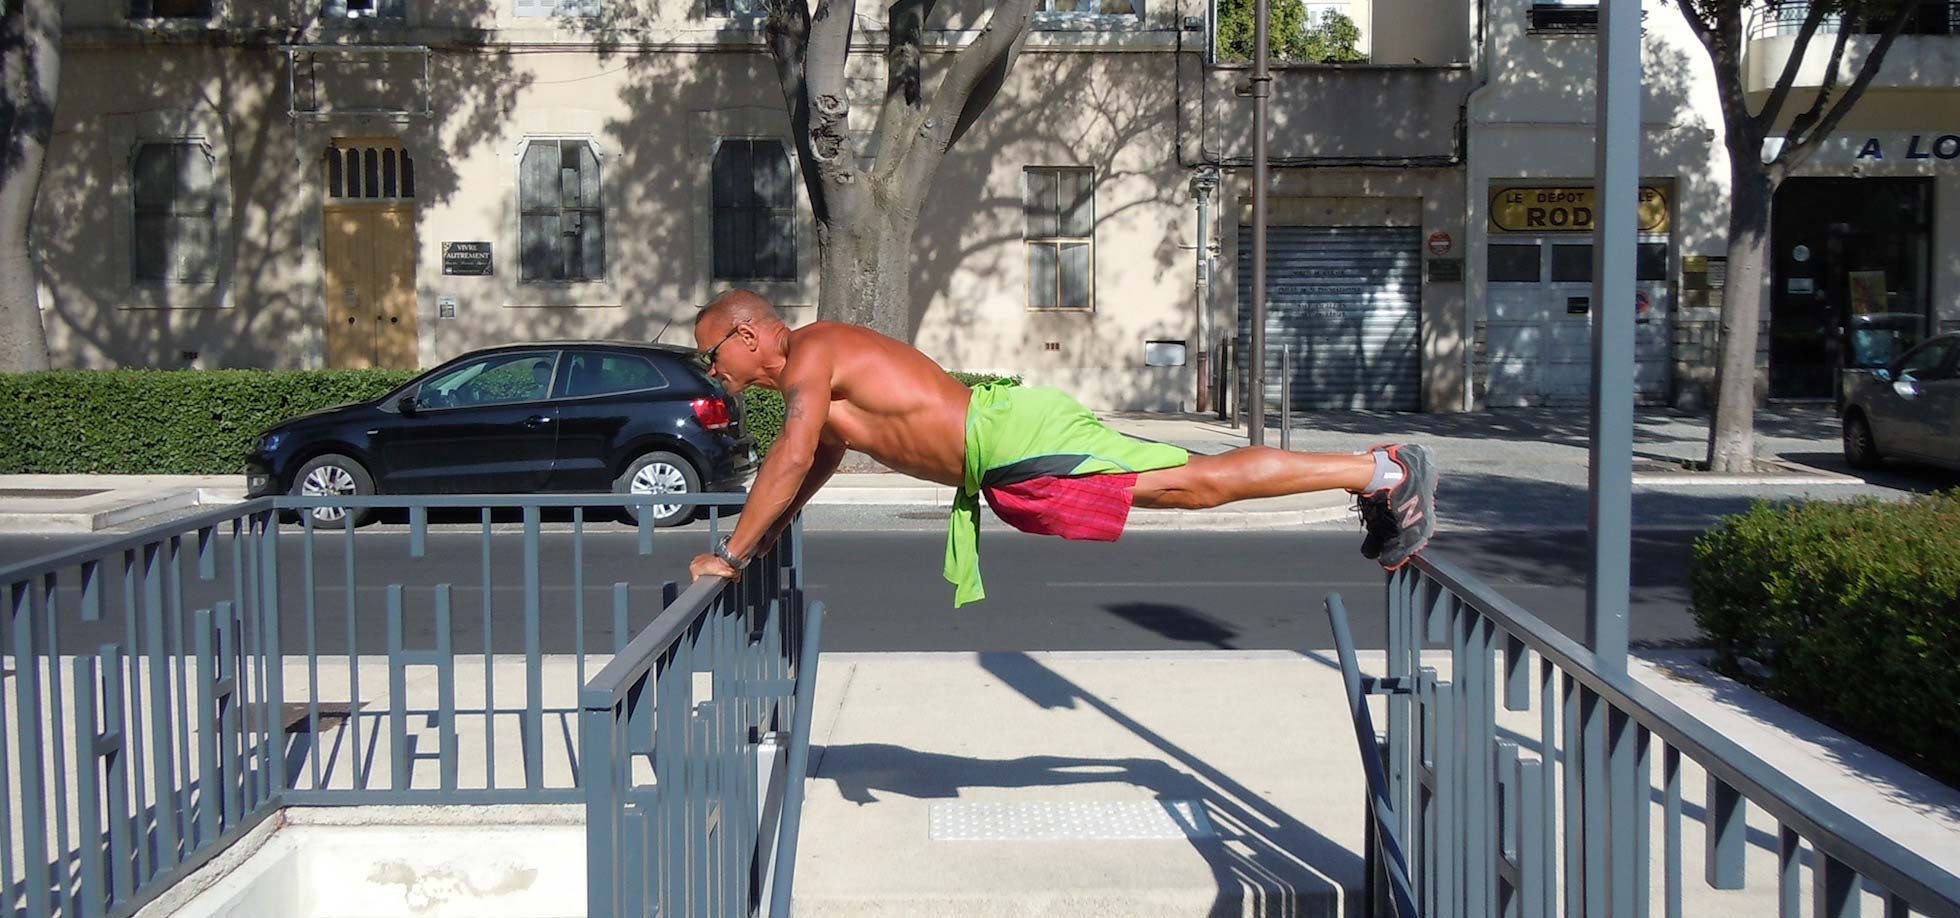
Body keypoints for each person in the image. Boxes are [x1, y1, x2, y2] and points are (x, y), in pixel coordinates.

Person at [686, 289, 1438, 606]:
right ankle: (1376, 472)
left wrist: (730, 556)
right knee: (1188, 483)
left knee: (1192, 484)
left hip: (1016, 439)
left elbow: (787, 456)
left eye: (715, 354)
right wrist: (760, 541)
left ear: (750, 333)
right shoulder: (811, 382)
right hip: (1011, 448)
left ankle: (1381, 470)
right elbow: (811, 463)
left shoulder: (814, 348)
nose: (716, 371)